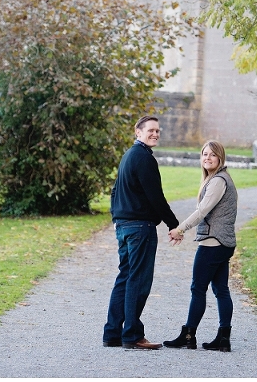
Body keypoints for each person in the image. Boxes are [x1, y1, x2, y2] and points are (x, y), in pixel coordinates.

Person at [102, 115, 180, 350]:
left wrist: (116, 218)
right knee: (138, 281)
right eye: (151, 130)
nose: (155, 134)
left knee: (125, 278)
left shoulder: (128, 156)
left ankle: (112, 333)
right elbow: (155, 196)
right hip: (139, 229)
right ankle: (132, 335)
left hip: (125, 227)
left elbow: (114, 192)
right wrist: (173, 224)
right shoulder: (143, 158)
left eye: (158, 131)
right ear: (138, 132)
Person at [164, 140, 238, 352]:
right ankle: (223, 338)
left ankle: (189, 335)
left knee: (198, 288)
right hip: (223, 242)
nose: (207, 158)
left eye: (212, 155)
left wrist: (180, 229)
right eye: (204, 154)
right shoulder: (219, 179)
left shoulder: (218, 181)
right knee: (221, 289)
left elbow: (202, 211)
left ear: (220, 158)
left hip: (213, 243)